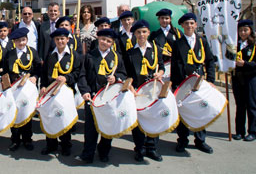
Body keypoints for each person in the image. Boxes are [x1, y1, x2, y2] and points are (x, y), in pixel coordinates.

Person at [77, 28, 127, 163]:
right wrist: (85, 91)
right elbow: (82, 76)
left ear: (112, 43)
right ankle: (88, 153)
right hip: (92, 96)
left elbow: (123, 74)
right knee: (90, 127)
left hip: (108, 98)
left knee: (107, 124)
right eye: (103, 39)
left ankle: (104, 151)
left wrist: (116, 78)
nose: (105, 42)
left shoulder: (116, 58)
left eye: (108, 41)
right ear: (98, 39)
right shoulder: (89, 56)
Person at [171, 13, 215, 154]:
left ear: (195, 25)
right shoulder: (178, 43)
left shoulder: (202, 41)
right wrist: (175, 85)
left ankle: (200, 141)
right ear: (182, 26)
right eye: (186, 24)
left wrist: (211, 80)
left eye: (191, 23)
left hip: (199, 83)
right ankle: (182, 140)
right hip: (184, 83)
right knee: (184, 112)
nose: (189, 26)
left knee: (200, 111)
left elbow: (209, 61)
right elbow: (174, 64)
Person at [125, 20, 164, 162]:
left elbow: (161, 66)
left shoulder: (155, 49)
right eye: (138, 32)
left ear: (148, 33)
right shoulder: (130, 53)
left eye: (144, 32)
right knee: (139, 121)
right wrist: (130, 87)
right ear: (134, 34)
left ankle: (152, 148)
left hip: (152, 90)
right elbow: (127, 74)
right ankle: (139, 148)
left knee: (153, 119)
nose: (141, 35)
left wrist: (159, 73)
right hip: (137, 91)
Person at [40, 28, 82, 156]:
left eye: (62, 39)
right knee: (51, 117)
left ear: (68, 39)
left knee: (64, 117)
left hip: (66, 93)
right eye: (57, 39)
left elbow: (77, 73)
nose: (60, 41)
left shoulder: (74, 55)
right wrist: (42, 86)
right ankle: (51, 144)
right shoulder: (50, 55)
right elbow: (44, 73)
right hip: (50, 92)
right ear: (54, 40)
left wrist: (67, 78)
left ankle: (65, 144)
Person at [4, 28, 41, 152]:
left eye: (23, 40)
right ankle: (15, 140)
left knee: (27, 113)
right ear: (14, 42)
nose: (21, 43)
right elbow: (5, 71)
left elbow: (38, 68)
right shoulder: (10, 54)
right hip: (14, 90)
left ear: (27, 40)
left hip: (28, 91)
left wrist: (35, 77)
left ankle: (27, 139)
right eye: (18, 41)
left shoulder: (33, 52)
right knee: (14, 114)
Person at [232, 19, 256, 141]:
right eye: (241, 30)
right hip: (237, 78)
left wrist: (245, 64)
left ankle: (252, 131)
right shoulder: (234, 44)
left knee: (251, 105)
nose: (243, 33)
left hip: (250, 78)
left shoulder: (254, 45)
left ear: (250, 31)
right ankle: (239, 131)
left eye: (245, 30)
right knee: (240, 106)